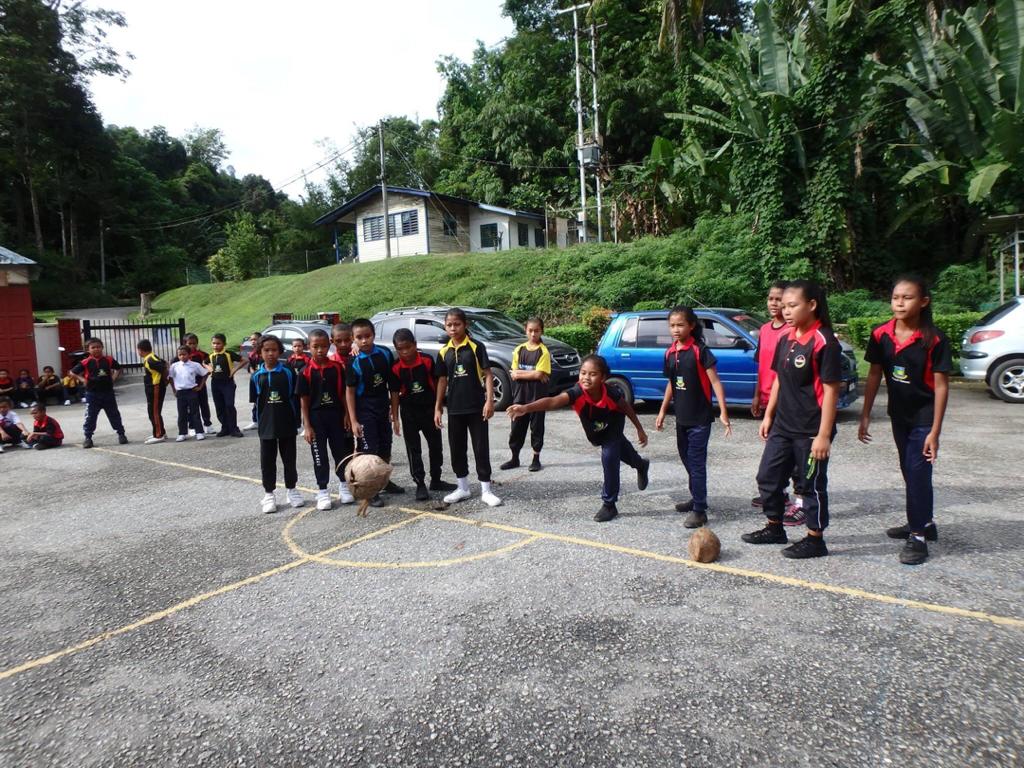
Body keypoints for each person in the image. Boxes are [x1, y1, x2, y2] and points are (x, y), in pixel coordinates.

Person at [743, 279, 841, 559]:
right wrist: (769, 415)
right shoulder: (787, 338)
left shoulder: (824, 342)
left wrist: (823, 435)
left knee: (811, 485)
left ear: (812, 305)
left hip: (810, 430)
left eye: (792, 305)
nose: (786, 311)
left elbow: (832, 390)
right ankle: (775, 527)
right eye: (783, 305)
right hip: (783, 426)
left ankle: (815, 538)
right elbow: (778, 381)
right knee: (767, 477)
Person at [859, 276, 951, 565]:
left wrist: (935, 432)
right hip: (899, 415)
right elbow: (874, 374)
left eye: (907, 297)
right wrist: (865, 414)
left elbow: (941, 386)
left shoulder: (934, 339)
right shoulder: (881, 334)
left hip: (924, 418)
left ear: (923, 302)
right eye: (896, 297)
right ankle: (924, 522)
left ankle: (918, 538)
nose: (899, 302)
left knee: (918, 473)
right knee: (910, 472)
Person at [508, 355, 649, 522]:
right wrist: (526, 407)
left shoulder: (611, 393)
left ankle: (609, 504)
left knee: (610, 455)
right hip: (596, 431)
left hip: (614, 424)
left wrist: (640, 429)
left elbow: (626, 408)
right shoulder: (576, 392)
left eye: (592, 374)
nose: (586, 378)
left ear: (603, 377)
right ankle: (641, 464)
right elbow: (553, 401)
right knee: (622, 452)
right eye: (583, 373)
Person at [654, 306, 732, 528]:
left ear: (691, 326)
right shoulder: (670, 353)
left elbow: (715, 382)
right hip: (682, 419)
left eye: (680, 325)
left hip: (700, 420)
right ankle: (697, 496)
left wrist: (723, 412)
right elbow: (671, 383)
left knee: (697, 464)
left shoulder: (700, 350)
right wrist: (662, 411)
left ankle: (700, 510)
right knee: (687, 461)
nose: (676, 329)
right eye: (672, 325)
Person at [433, 308, 501, 507]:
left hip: (476, 407)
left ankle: (486, 490)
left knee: (481, 448)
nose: (453, 328)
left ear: (465, 325)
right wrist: (438, 407)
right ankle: (462, 487)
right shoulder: (444, 352)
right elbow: (442, 381)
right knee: (457, 449)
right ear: (445, 327)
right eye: (449, 325)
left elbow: (487, 374)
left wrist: (489, 401)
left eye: (457, 324)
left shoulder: (476, 347)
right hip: (454, 408)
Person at [391, 328, 457, 501]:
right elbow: (395, 393)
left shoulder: (427, 361)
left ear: (415, 344)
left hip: (429, 411)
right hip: (409, 413)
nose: (405, 352)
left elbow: (438, 384)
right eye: (400, 349)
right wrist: (395, 417)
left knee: (436, 446)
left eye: (408, 347)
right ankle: (420, 483)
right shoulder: (396, 367)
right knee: (414, 450)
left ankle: (436, 479)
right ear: (396, 349)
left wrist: (438, 407)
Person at [345, 318, 402, 507]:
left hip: (381, 408)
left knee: (385, 446)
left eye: (367, 336)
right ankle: (369, 490)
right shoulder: (353, 361)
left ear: (373, 335)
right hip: (364, 411)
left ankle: (383, 481)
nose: (364, 341)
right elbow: (350, 392)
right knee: (369, 451)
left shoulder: (385, 354)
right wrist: (353, 420)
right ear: (353, 338)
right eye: (359, 337)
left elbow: (393, 387)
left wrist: (395, 413)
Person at [298, 329, 355, 510]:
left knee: (341, 452)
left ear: (329, 345)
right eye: (316, 347)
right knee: (319, 456)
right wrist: (307, 425)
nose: (320, 350)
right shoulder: (305, 372)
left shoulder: (337, 368)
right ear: (309, 347)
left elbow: (344, 394)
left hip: (336, 416)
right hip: (316, 419)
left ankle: (344, 485)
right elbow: (304, 402)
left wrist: (346, 414)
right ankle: (322, 491)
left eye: (323, 346)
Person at [250, 335, 304, 514]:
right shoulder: (257, 376)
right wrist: (259, 423)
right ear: (260, 353)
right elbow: (256, 402)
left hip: (286, 423)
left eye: (274, 350)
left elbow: (294, 398)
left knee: (289, 459)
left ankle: (292, 490)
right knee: (267, 461)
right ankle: (269, 493)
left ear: (280, 351)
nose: (271, 353)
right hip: (266, 425)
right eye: (266, 350)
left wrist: (298, 422)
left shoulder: (288, 372)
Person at [500, 316, 551, 473]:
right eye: (530, 330)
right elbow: (513, 374)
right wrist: (532, 373)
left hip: (537, 398)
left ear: (541, 331)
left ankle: (536, 459)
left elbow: (539, 375)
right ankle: (514, 458)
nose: (533, 334)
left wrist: (525, 373)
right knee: (516, 428)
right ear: (525, 331)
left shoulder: (543, 351)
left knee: (537, 428)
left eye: (537, 331)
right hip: (520, 397)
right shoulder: (519, 349)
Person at [71, 338, 127, 448]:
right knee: (90, 416)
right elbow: (72, 372)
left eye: (98, 347)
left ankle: (121, 434)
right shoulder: (85, 362)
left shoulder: (109, 359)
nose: (96, 349)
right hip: (92, 394)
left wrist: (113, 378)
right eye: (93, 347)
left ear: (102, 347)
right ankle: (88, 438)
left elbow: (118, 369)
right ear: (88, 350)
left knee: (114, 414)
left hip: (108, 393)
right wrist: (82, 380)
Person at [167, 346, 208, 442]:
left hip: (191, 391)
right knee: (182, 414)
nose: (182, 356)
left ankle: (199, 432)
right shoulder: (174, 366)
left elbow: (205, 374)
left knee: (195, 412)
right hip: (180, 392)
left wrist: (200, 386)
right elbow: (171, 378)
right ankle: (182, 433)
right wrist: (174, 390)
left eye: (184, 354)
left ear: (189, 355)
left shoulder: (195, 365)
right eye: (179, 355)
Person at [209, 333, 245, 437]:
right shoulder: (211, 355)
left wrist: (234, 370)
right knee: (219, 407)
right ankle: (225, 428)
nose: (216, 346)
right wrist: (210, 369)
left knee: (229, 405)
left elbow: (244, 360)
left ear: (224, 344)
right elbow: (204, 362)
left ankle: (234, 429)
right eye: (214, 343)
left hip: (227, 383)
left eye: (218, 343)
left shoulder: (229, 354)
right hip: (215, 383)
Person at [136, 339, 168, 445]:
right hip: (151, 388)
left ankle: (159, 435)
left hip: (156, 387)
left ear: (140, 350)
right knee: (153, 411)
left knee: (154, 412)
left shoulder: (150, 359)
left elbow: (164, 367)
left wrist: (165, 381)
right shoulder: (150, 357)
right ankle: (160, 431)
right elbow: (164, 363)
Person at [183, 333, 213, 431]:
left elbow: (207, 369)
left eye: (194, 343)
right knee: (190, 406)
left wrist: (202, 383)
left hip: (200, 384)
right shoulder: (181, 356)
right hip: (188, 386)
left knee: (204, 404)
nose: (192, 346)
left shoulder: (203, 355)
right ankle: (192, 426)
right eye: (189, 343)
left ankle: (208, 424)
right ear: (185, 343)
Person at [242, 331, 263, 430]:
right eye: (252, 340)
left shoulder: (264, 352)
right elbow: (250, 367)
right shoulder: (252, 354)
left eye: (255, 339)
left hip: (264, 380)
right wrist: (254, 374)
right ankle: (255, 421)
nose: (253, 341)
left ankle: (265, 420)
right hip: (255, 380)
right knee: (256, 401)